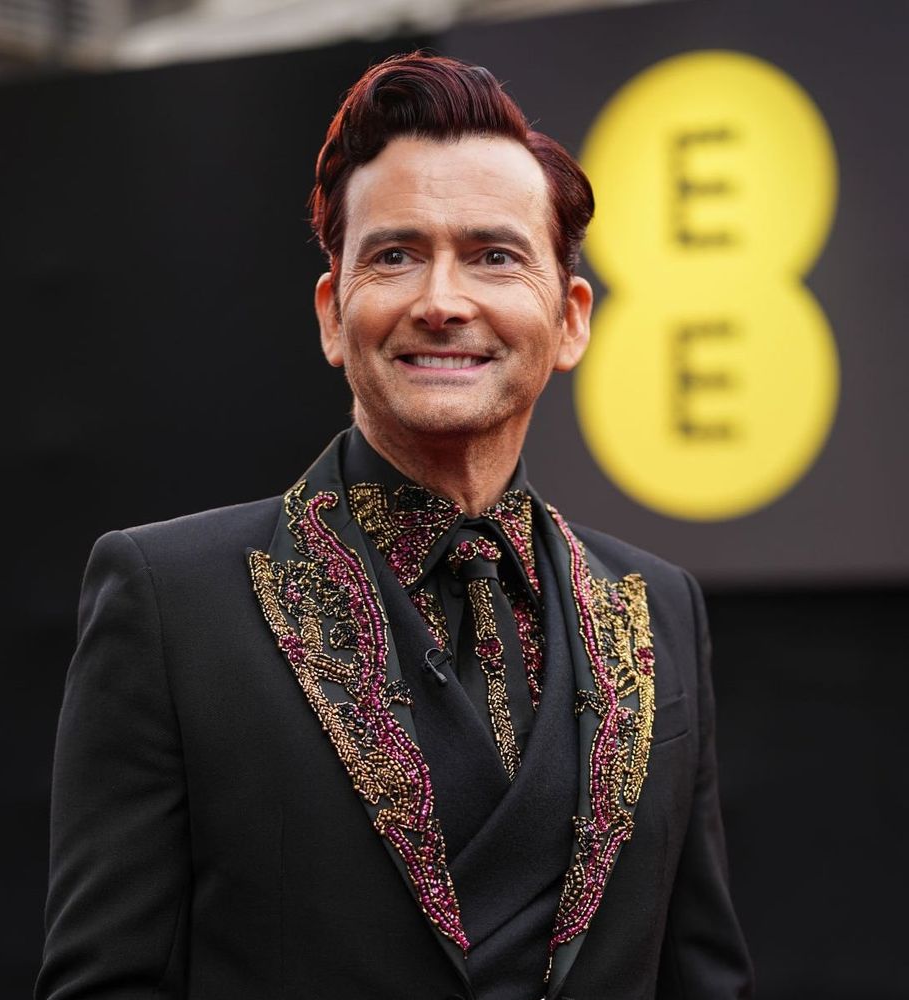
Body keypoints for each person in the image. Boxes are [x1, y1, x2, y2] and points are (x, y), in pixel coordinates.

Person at [37, 52, 753, 1000]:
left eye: (495, 255)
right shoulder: (170, 603)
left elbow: (700, 978)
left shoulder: (661, 609)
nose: (442, 300)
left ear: (570, 319)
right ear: (335, 315)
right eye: (395, 254)